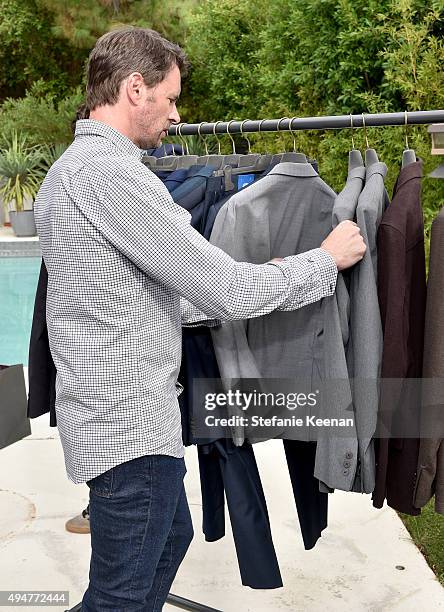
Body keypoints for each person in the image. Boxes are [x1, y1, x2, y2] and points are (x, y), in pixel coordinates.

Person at [34, 27, 365, 611]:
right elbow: (219, 291)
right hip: (126, 429)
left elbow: (145, 296)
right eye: (171, 96)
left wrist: (275, 272)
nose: (176, 115)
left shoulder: (84, 169)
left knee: (167, 544)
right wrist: (323, 262)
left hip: (126, 424)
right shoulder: (113, 175)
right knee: (119, 596)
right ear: (136, 89)